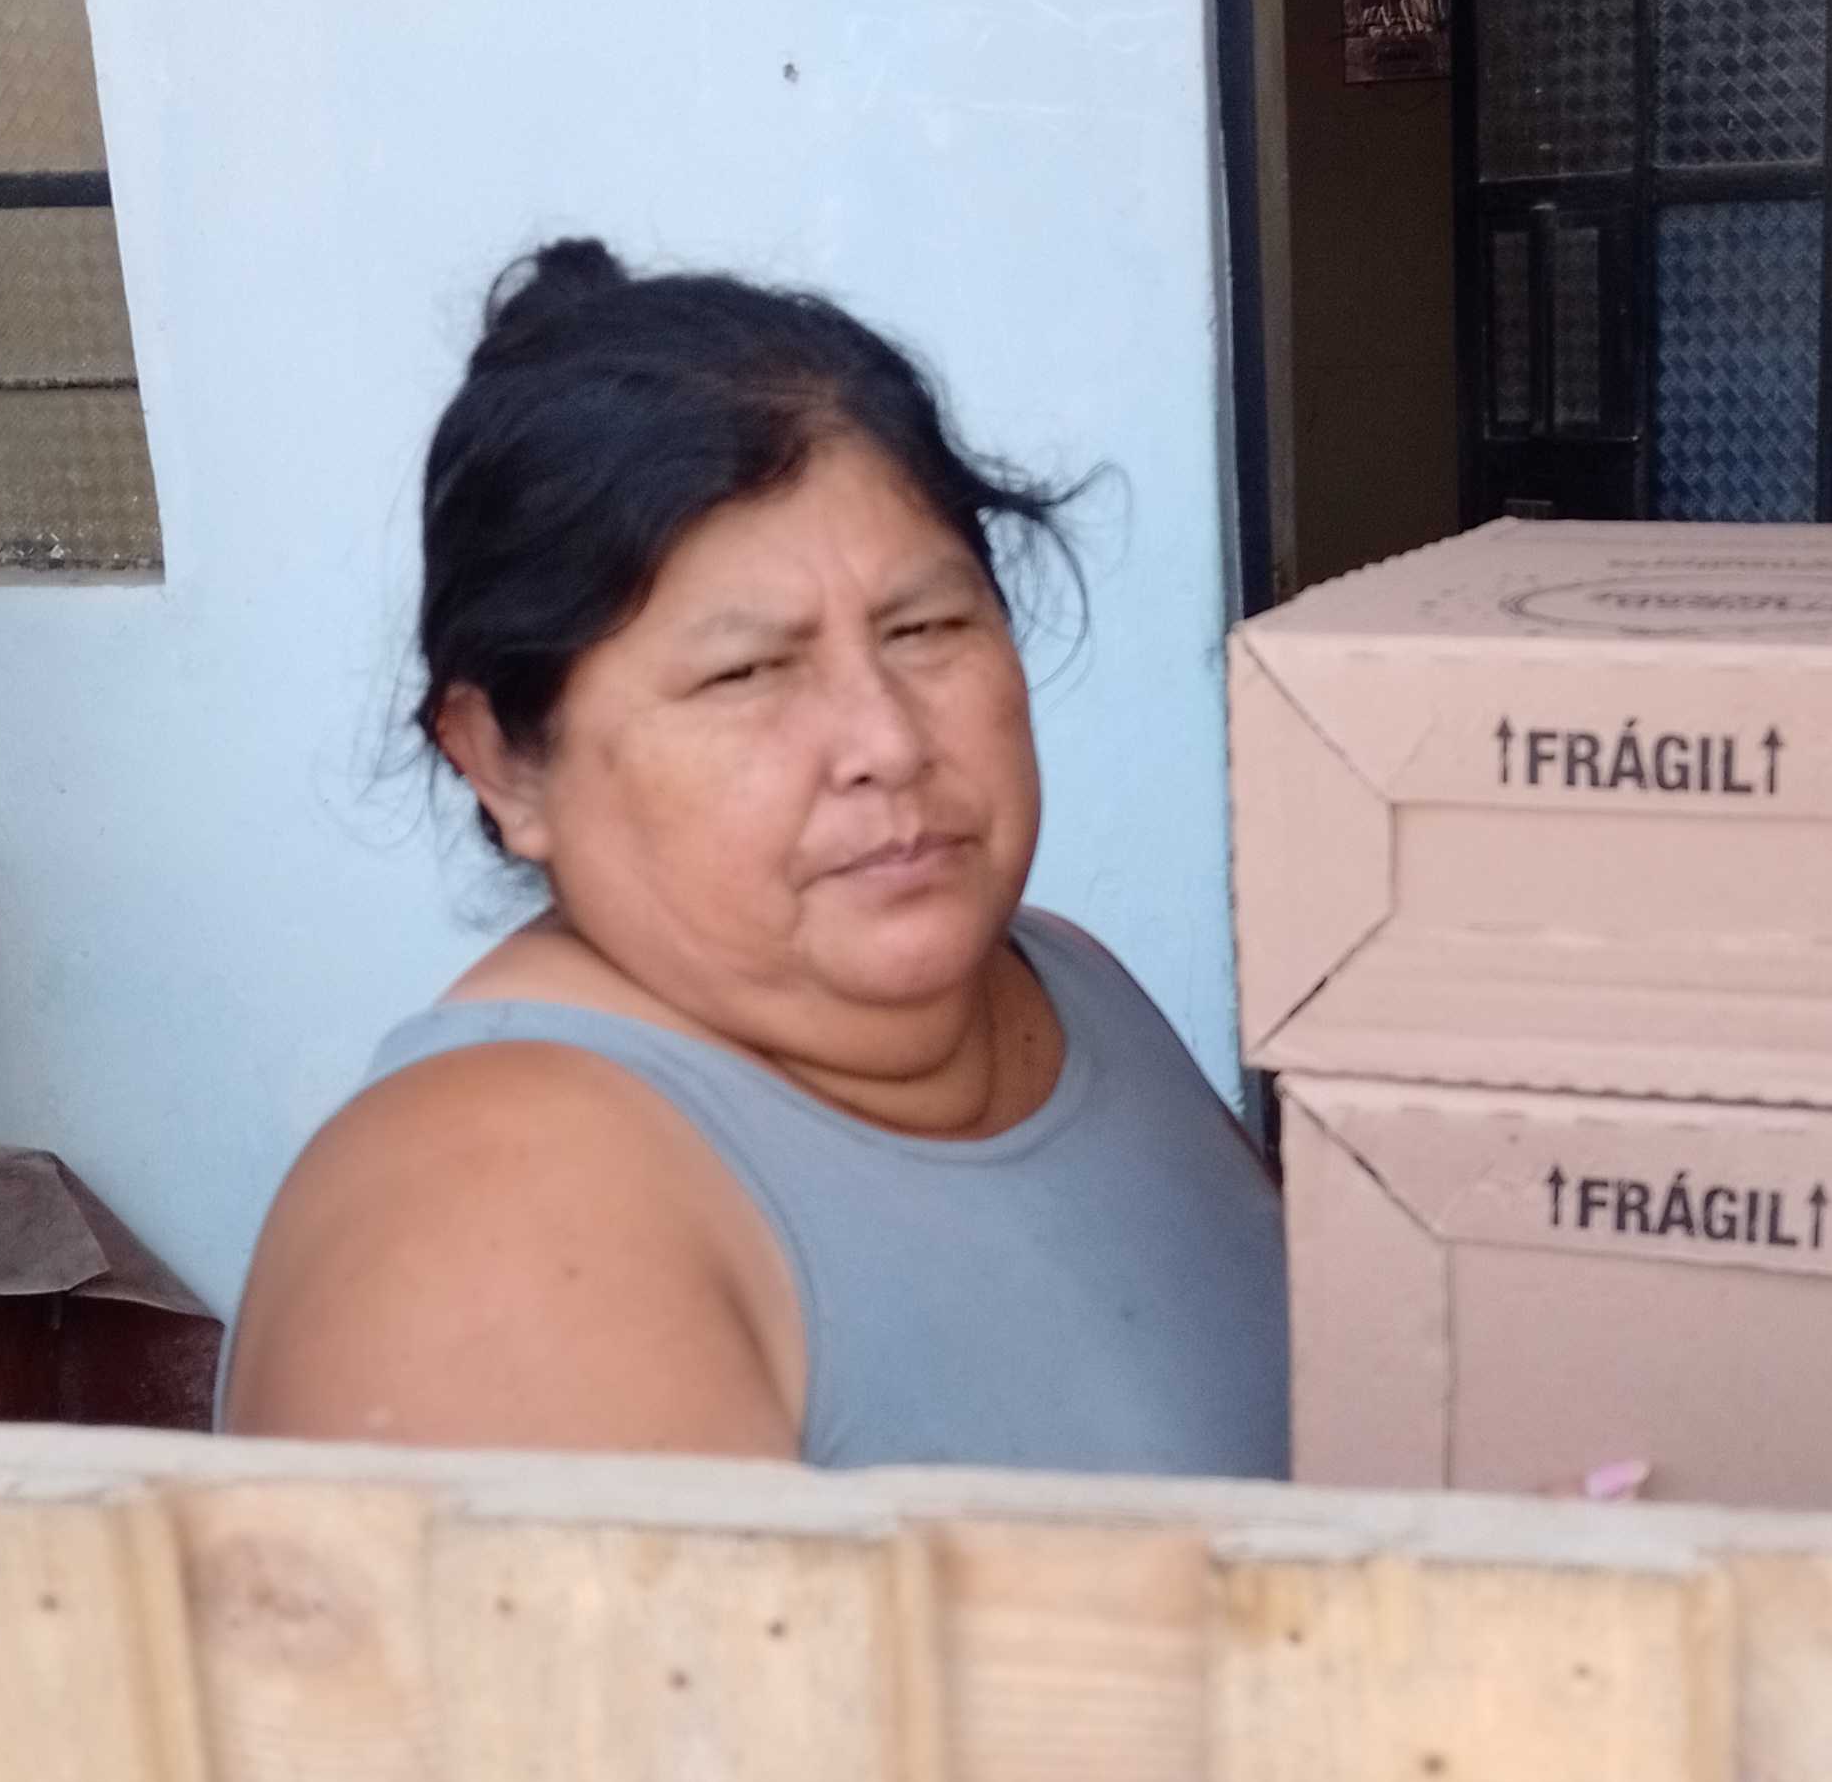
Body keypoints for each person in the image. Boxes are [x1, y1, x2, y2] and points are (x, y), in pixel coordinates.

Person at [226, 243, 1288, 1474]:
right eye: (743, 672)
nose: (887, 742)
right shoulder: (487, 1216)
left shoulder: (1069, 981)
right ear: (503, 763)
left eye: (927, 626)